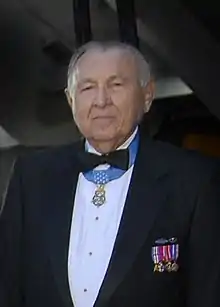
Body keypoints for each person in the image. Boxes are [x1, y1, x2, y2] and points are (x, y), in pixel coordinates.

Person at [0, 41, 220, 307]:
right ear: (71, 100)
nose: (101, 101)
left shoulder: (194, 179)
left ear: (147, 95)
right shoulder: (30, 177)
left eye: (116, 85)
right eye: (88, 87)